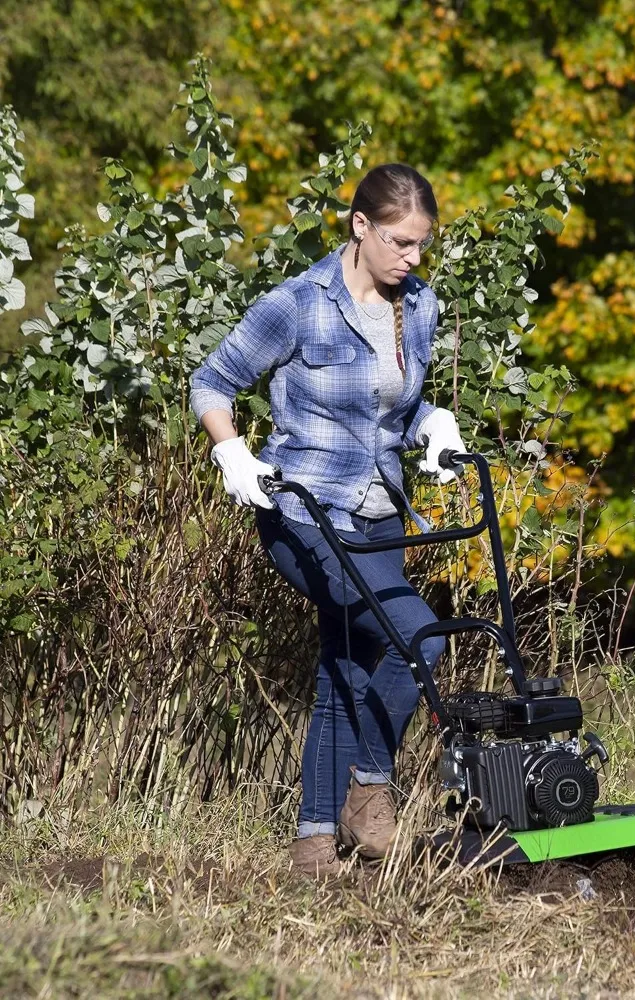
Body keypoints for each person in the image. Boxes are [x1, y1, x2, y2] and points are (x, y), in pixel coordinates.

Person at [189, 163, 467, 878]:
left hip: (379, 515)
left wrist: (432, 424)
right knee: (421, 636)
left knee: (345, 666)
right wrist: (232, 452)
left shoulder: (420, 305)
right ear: (360, 225)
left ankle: (314, 844)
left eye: (422, 244)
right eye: (401, 242)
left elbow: (395, 409)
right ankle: (370, 789)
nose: (413, 258)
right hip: (305, 513)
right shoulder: (299, 304)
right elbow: (211, 381)